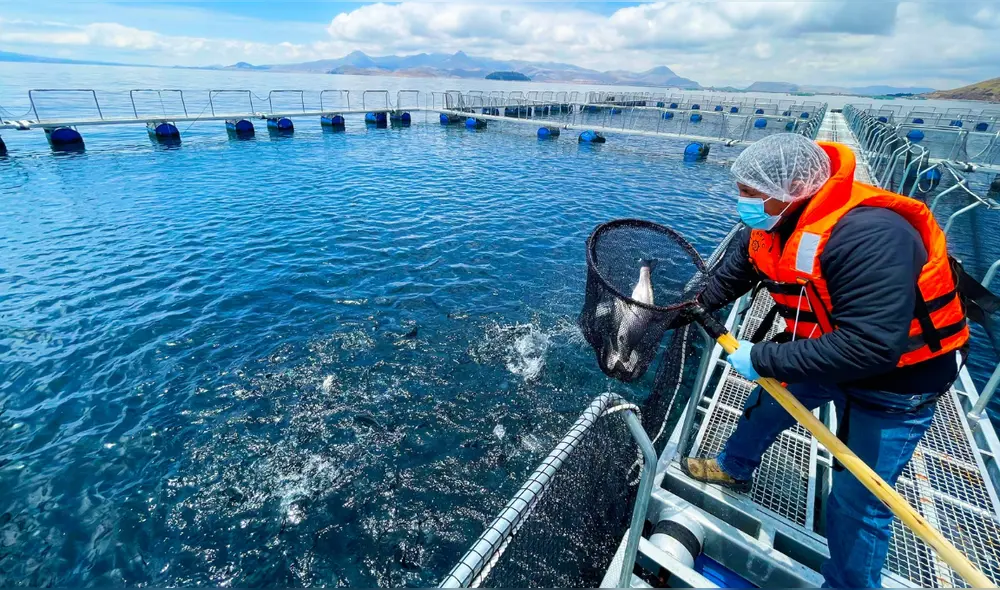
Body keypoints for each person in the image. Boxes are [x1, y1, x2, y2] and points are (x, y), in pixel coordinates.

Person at [682, 133, 969, 588]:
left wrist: (764, 356)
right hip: (819, 352)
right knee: (763, 409)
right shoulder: (771, 223)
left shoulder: (871, 234)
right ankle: (734, 469)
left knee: (859, 502)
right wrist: (672, 314)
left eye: (751, 194)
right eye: (741, 191)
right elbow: (729, 278)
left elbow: (873, 346)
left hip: (897, 383)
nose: (743, 203)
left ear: (795, 187)